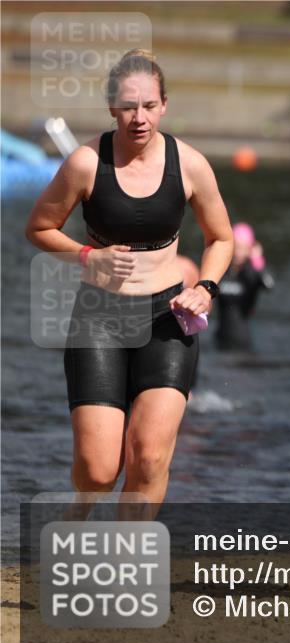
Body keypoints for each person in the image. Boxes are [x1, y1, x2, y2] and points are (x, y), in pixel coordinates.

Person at [25, 49, 233, 518]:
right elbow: (38, 228)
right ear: (112, 108)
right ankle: (79, 512)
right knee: (99, 469)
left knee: (150, 456)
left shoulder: (191, 164)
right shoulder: (85, 163)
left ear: (164, 105)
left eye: (148, 106)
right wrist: (86, 256)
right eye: (128, 107)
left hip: (169, 318)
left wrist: (207, 287)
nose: (139, 118)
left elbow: (221, 238)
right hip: (100, 317)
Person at [214, 221, 274, 351]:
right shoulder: (223, 271)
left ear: (249, 249)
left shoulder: (251, 275)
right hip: (220, 337)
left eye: (243, 248)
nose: (238, 252)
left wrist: (258, 261)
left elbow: (269, 286)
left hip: (242, 340)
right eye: (236, 247)